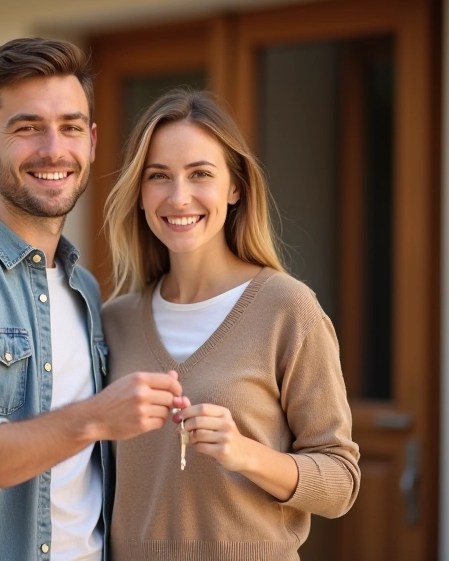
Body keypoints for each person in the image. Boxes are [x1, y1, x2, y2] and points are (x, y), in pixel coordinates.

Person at [0, 38, 184, 561]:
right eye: (26, 128)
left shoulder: (83, 288)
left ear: (91, 142)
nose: (53, 149)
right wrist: (93, 417)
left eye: (70, 127)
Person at [101, 89, 360, 560]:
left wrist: (245, 454)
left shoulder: (288, 309)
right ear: (140, 194)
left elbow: (341, 483)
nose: (179, 197)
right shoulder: (113, 322)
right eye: (159, 176)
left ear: (234, 187)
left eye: (200, 174)